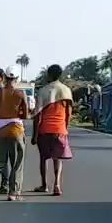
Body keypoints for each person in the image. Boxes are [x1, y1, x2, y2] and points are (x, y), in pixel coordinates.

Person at [32, 64, 74, 195]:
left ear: (48, 75)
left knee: (43, 158)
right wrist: (65, 127)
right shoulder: (66, 90)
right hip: (59, 129)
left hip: (44, 130)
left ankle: (44, 185)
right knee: (58, 159)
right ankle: (57, 185)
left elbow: (37, 115)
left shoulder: (43, 91)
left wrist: (34, 134)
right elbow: (69, 113)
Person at [0, 66, 30, 201]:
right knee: (16, 163)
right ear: (16, 78)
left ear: (5, 77)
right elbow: (25, 115)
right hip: (15, 130)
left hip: (0, 131)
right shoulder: (20, 94)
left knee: (0, 162)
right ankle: (13, 192)